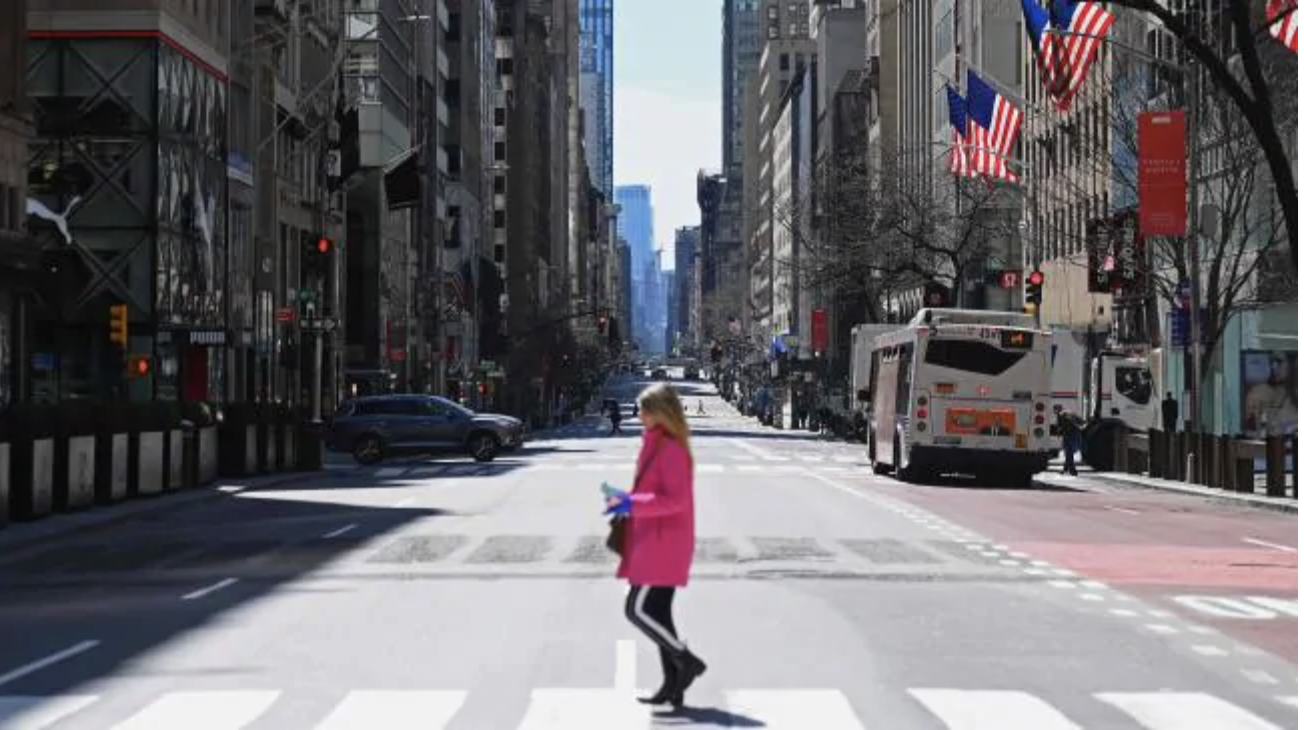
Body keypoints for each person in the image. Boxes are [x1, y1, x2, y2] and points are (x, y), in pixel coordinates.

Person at [604, 383, 707, 707]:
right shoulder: (655, 444)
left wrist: (630, 503)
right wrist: (626, 502)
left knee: (636, 609)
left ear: (661, 413)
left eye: (646, 410)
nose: (640, 416)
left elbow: (674, 501)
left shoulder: (671, 449)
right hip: (652, 540)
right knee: (659, 614)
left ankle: (686, 660)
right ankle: (673, 685)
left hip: (665, 544)